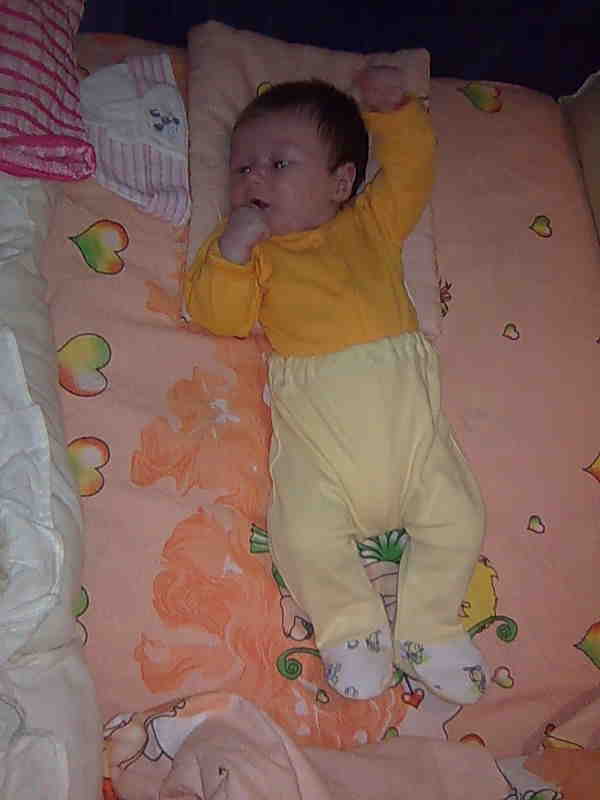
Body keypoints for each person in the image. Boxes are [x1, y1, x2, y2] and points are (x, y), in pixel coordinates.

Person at [184, 66, 487, 704]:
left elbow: (412, 172)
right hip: (320, 431)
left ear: (340, 182)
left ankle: (430, 626)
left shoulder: (370, 223)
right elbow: (219, 316)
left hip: (408, 428)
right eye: (242, 167)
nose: (253, 179)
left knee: (459, 516)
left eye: (278, 164)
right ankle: (349, 627)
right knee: (300, 532)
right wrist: (231, 254)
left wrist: (395, 114)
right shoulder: (255, 254)